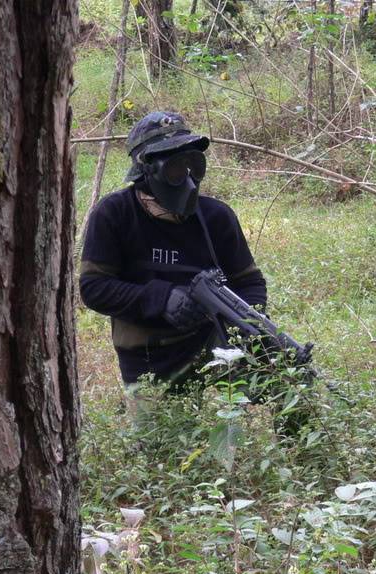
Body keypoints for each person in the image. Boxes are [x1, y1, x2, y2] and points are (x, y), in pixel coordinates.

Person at [80, 111, 267, 400]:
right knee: (160, 443)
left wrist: (248, 325)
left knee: (290, 384)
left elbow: (250, 283)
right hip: (150, 360)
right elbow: (94, 288)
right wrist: (162, 298)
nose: (188, 177)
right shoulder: (114, 214)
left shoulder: (217, 217)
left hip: (218, 351)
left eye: (193, 164)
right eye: (176, 168)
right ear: (148, 170)